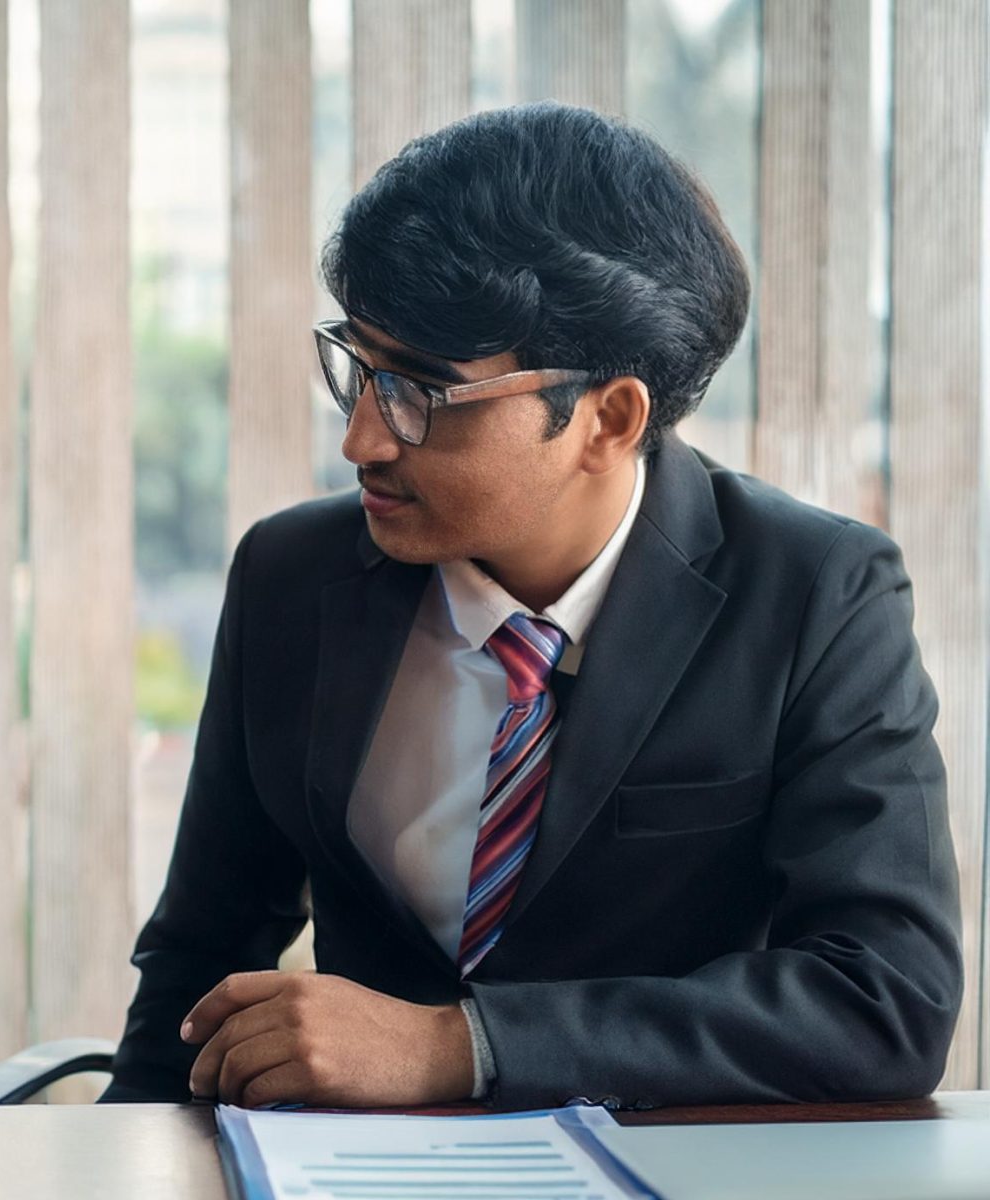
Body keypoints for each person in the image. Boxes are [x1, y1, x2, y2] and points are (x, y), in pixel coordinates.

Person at [102, 103, 961, 1112]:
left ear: (607, 418)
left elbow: (883, 998)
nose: (363, 441)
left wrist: (460, 1047)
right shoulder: (291, 579)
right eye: (356, 369)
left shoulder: (814, 595)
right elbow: (199, 957)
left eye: (419, 391)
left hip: (674, 1163)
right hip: (347, 1173)